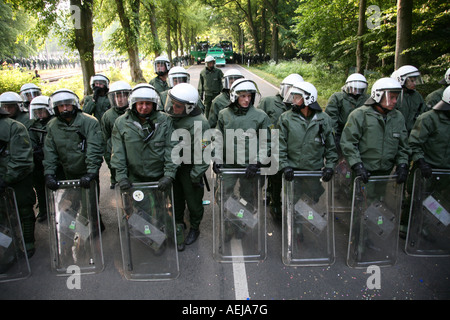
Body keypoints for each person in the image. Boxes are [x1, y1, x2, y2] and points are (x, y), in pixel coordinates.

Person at [43, 89, 106, 229]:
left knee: (90, 203)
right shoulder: (52, 126)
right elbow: (50, 151)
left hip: (86, 171)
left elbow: (94, 148)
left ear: (74, 104)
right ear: (56, 108)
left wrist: (91, 172)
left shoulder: (89, 122)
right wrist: (49, 173)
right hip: (68, 171)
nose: (65, 108)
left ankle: (94, 227)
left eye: (67, 105)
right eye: (61, 106)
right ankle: (79, 229)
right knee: (70, 203)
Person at [340, 77, 411, 186]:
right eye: (391, 97)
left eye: (396, 98)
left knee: (379, 200)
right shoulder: (360, 115)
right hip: (364, 171)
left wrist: (403, 164)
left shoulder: (398, 117)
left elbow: (403, 145)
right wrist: (357, 165)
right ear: (378, 96)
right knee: (360, 200)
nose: (395, 101)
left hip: (385, 172)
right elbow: (348, 143)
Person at [166, 83, 210, 251]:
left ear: (189, 107)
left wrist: (196, 175)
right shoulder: (171, 117)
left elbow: (206, 152)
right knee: (175, 199)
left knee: (193, 202)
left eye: (178, 106)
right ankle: (178, 224)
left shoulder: (201, 123)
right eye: (173, 103)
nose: (173, 108)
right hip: (174, 167)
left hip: (191, 168)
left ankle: (195, 228)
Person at [401, 85, 450, 236]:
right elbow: (414, 143)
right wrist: (420, 161)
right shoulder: (428, 119)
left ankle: (424, 224)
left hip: (445, 169)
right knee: (416, 197)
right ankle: (405, 225)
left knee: (434, 200)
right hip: (425, 167)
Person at [278, 81, 338, 197]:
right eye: (293, 97)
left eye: (297, 97)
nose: (293, 100)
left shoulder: (324, 119)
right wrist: (284, 165)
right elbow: (279, 145)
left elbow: (331, 147)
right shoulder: (285, 118)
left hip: (313, 172)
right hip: (292, 172)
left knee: (311, 207)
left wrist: (330, 167)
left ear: (308, 99)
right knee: (291, 203)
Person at [257, 73, 304, 220]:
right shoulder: (268, 102)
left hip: (291, 147)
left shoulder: (301, 107)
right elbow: (258, 120)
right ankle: (274, 202)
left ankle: (289, 204)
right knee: (273, 176)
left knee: (287, 177)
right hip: (272, 144)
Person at [0, 106, 36, 258]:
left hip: (18, 180)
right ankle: (7, 248)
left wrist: (6, 179)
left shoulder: (13, 127)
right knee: (3, 217)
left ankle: (28, 243)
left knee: (24, 211)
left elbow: (22, 159)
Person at [325, 73, 369, 155]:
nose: (356, 93)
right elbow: (331, 119)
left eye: (359, 90)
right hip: (340, 133)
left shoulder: (367, 99)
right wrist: (333, 138)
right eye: (354, 89)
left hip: (361, 134)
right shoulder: (337, 98)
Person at [101, 80, 132, 189]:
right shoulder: (108, 116)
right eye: (117, 96)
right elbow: (105, 139)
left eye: (123, 96)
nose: (120, 99)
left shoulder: (134, 113)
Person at [28, 95, 55, 222]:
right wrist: (35, 150)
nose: (39, 114)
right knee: (39, 187)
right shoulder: (33, 125)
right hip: (38, 162)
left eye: (41, 111)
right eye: (36, 112)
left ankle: (57, 210)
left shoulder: (54, 123)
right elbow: (30, 141)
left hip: (53, 161)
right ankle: (43, 210)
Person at [391, 65, 427, 135]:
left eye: (415, 80)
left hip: (413, 134)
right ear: (402, 80)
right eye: (412, 81)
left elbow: (423, 113)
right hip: (396, 133)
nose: (415, 83)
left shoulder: (417, 96)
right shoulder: (394, 96)